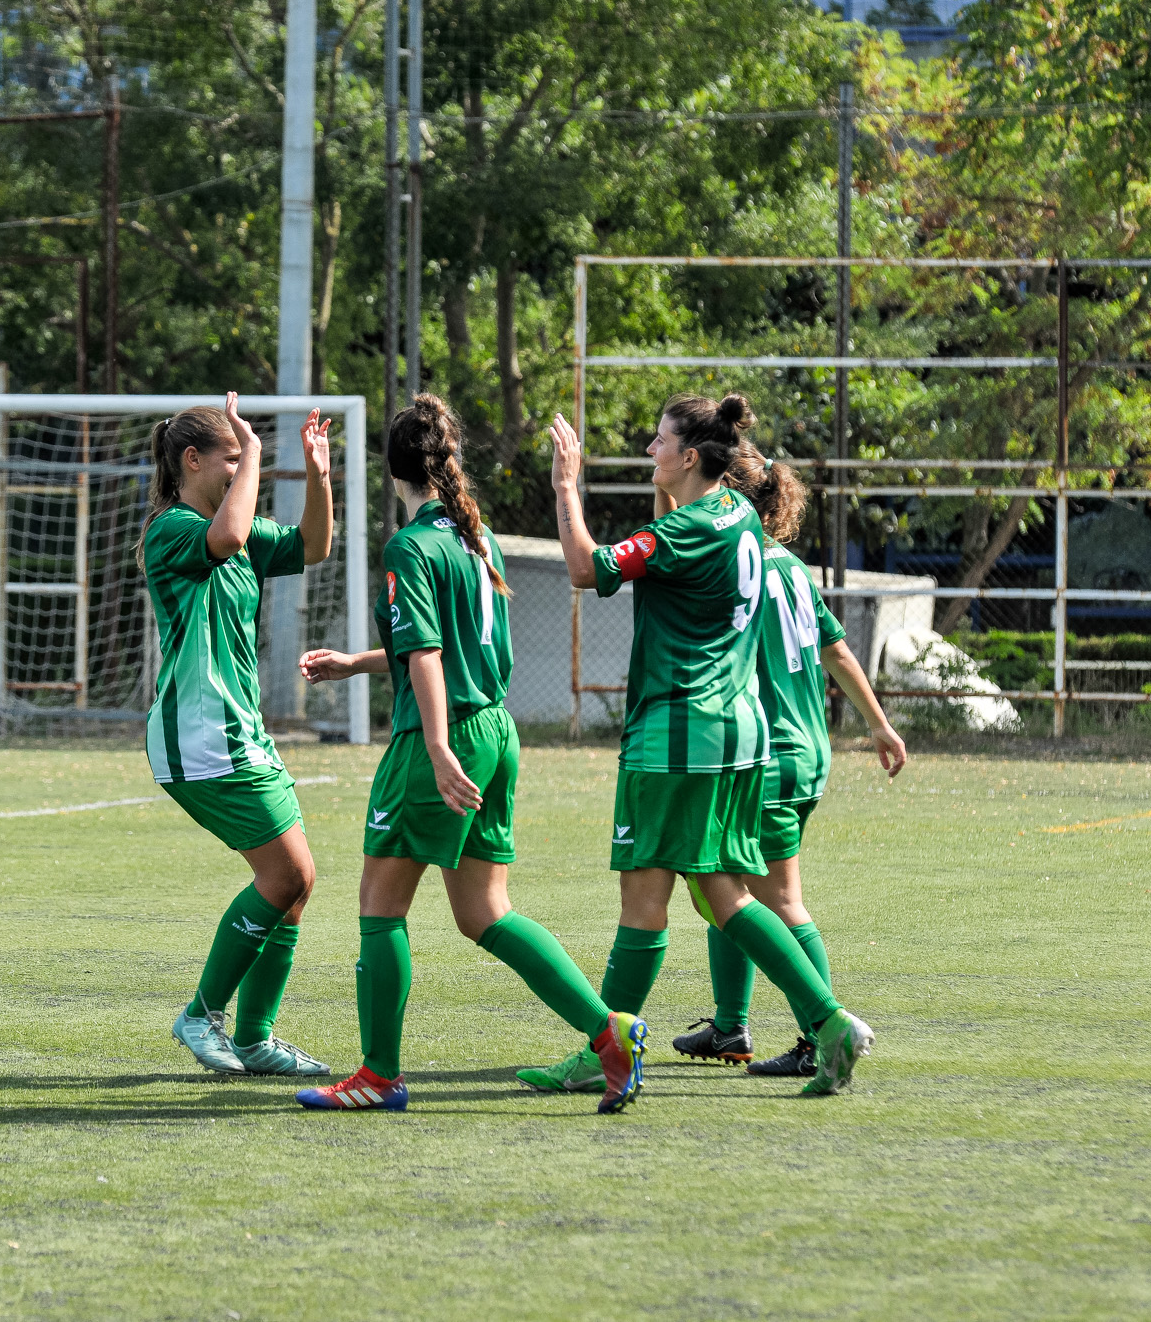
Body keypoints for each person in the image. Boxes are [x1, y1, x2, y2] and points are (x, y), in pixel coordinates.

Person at [292, 394, 648, 1114]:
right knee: (485, 912)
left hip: (444, 736)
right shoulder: (470, 540)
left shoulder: (409, 547)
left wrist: (434, 744)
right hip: (493, 728)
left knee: (378, 907)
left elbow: (426, 652)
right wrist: (362, 663)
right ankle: (609, 1030)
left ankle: (380, 1075)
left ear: (391, 468)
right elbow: (450, 647)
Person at [516, 392, 874, 1098]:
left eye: (657, 441)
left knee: (645, 900)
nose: (648, 449)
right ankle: (829, 1024)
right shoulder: (736, 514)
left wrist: (565, 487)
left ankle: (605, 1050)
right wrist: (660, 489)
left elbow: (588, 570)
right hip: (735, 732)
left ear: (688, 457)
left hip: (678, 735)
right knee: (724, 893)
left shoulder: (688, 533)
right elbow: (665, 539)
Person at [666, 446, 907, 1076]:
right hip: (806, 749)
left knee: (770, 898)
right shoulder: (793, 570)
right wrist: (879, 723)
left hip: (766, 754)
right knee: (723, 879)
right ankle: (729, 1027)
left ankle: (817, 1034)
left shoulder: (735, 569)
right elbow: (837, 651)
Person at [141, 394, 334, 1078]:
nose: (243, 468)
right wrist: (255, 452)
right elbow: (221, 538)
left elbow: (314, 545)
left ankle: (254, 1038)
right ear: (193, 461)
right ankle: (203, 1013)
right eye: (231, 456)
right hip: (200, 735)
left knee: (297, 884)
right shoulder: (171, 530)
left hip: (239, 733)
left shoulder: (241, 529)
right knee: (285, 874)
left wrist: (318, 473)